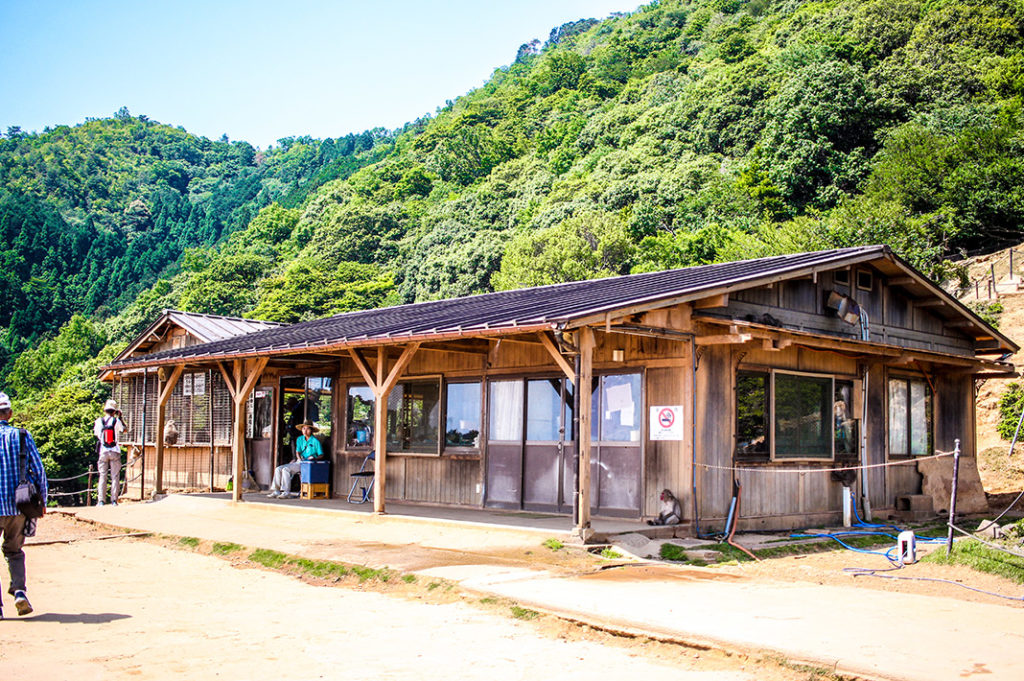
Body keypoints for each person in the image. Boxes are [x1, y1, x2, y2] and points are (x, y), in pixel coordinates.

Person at [0, 391, 47, 618]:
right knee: (14, 551)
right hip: (19, 505)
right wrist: (43, 500)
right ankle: (19, 592)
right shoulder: (21, 435)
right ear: (9, 413)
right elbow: (38, 469)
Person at [267, 420, 323, 499]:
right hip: (300, 461)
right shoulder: (300, 439)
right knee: (278, 469)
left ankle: (286, 492)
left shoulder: (315, 441)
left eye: (307, 429)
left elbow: (321, 455)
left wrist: (314, 458)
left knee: (286, 470)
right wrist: (299, 459)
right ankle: (276, 490)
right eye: (303, 429)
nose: (305, 431)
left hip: (308, 464)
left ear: (311, 430)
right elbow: (298, 452)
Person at [93, 399, 126, 506]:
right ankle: (114, 500)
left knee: (102, 476)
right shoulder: (116, 421)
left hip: (103, 451)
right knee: (115, 476)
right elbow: (124, 430)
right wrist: (120, 417)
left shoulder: (99, 421)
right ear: (114, 411)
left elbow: (97, 434)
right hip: (115, 450)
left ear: (105, 410)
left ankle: (101, 501)